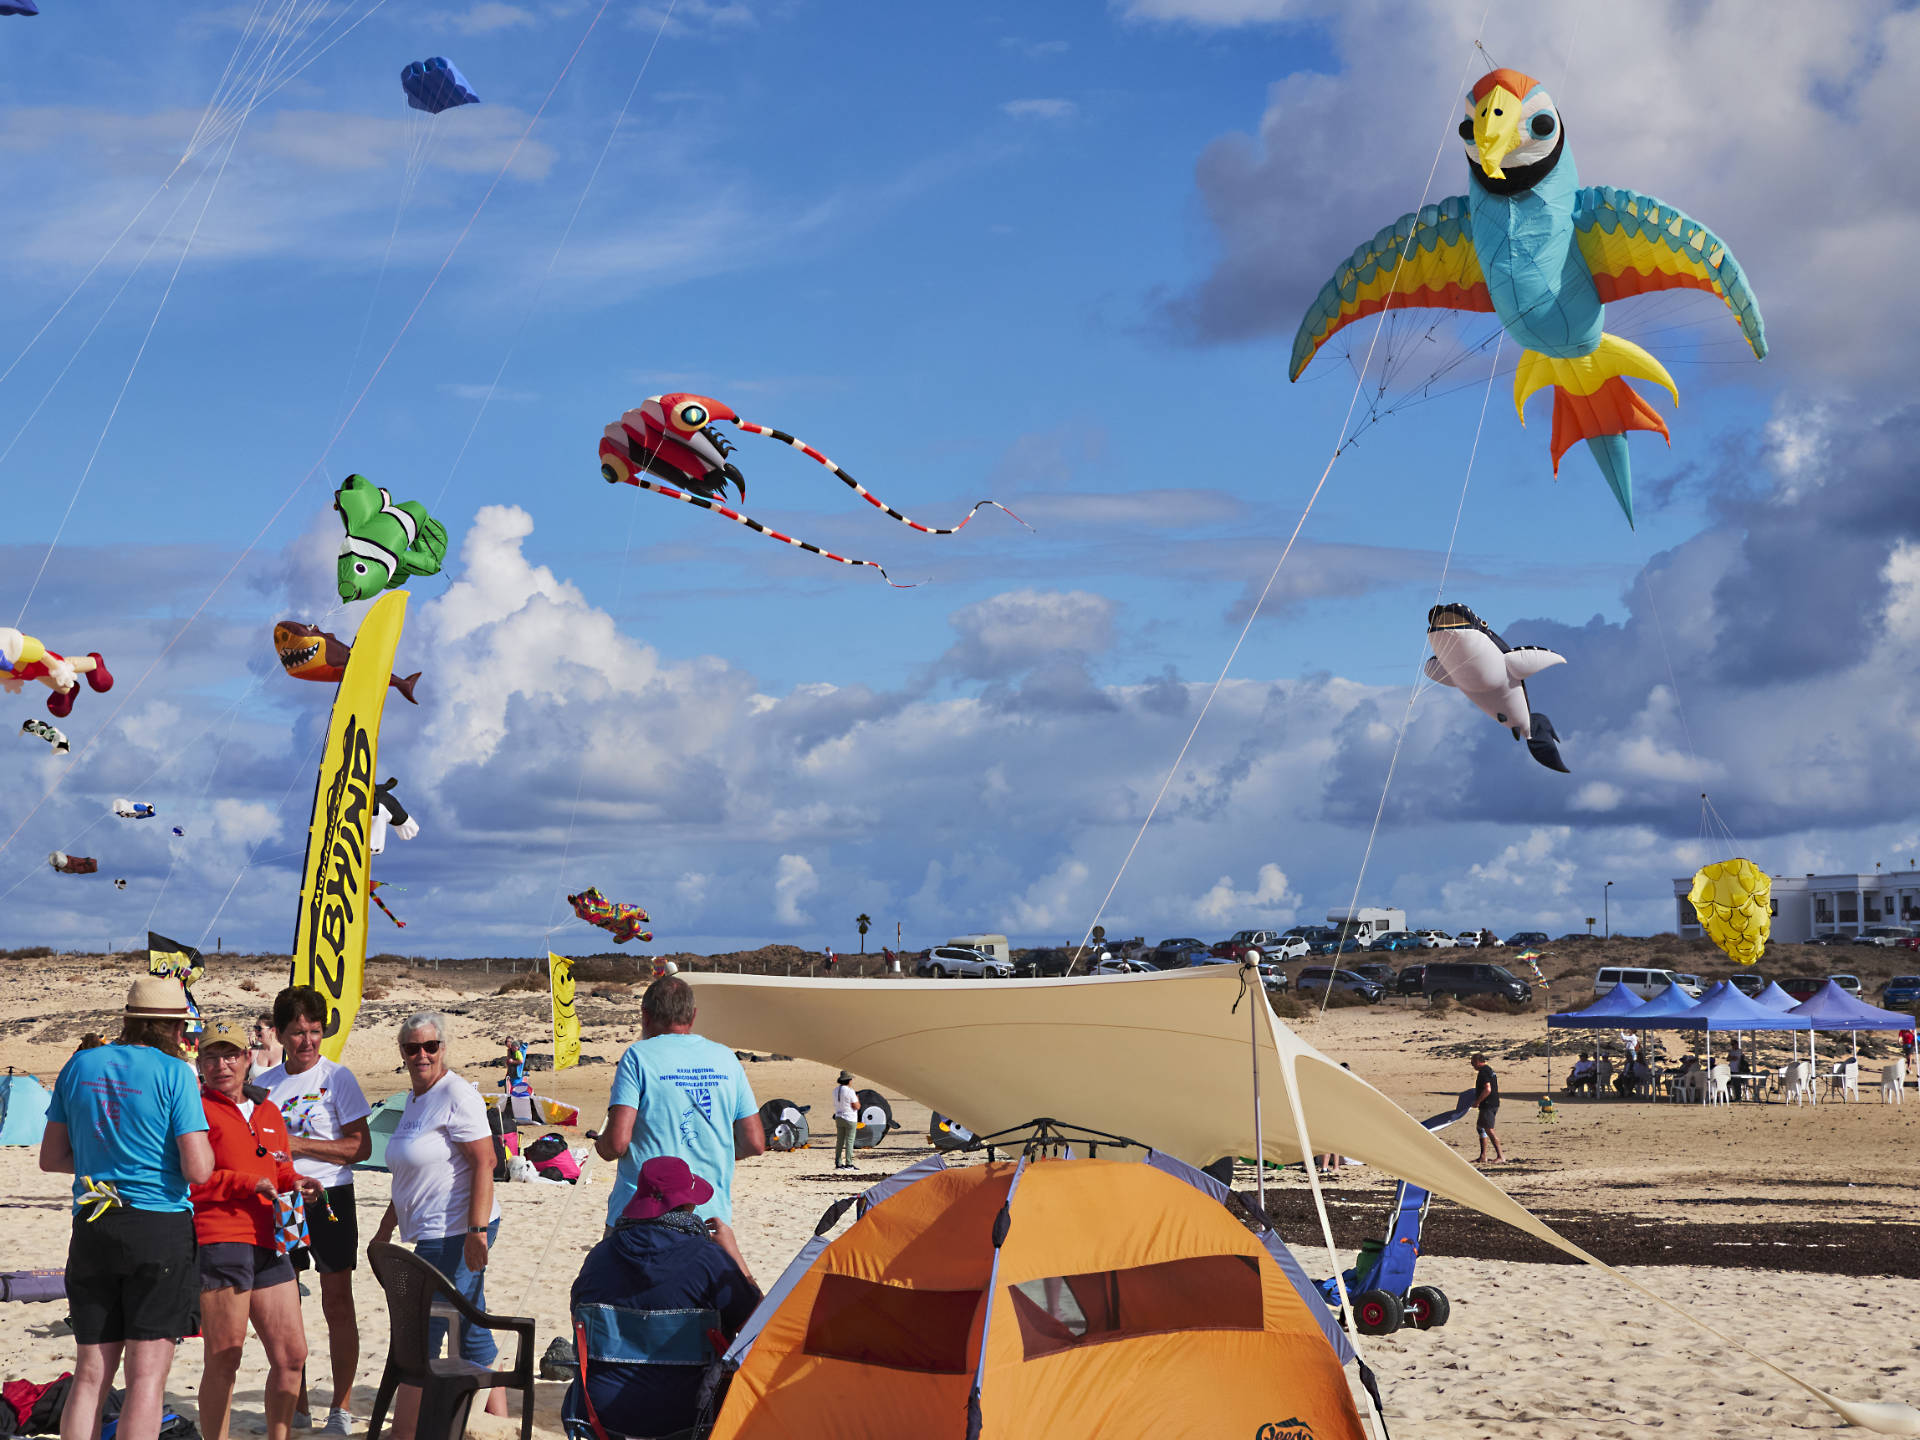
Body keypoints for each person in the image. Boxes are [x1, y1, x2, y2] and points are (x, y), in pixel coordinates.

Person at [39, 978, 213, 1440]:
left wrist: (107, 1162)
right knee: (146, 1380)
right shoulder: (176, 1072)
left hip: (95, 1222)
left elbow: (51, 1158)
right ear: (173, 1026)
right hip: (157, 1225)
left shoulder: (80, 1064)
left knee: (91, 1373)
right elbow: (198, 1169)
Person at [368, 1013, 507, 1435]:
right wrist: (386, 1227)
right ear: (403, 1054)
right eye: (413, 1048)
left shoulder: (456, 1094)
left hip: (457, 1229)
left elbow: (486, 1161)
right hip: (427, 1231)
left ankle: (404, 1432)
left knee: (421, 1332)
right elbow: (408, 1176)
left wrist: (477, 1231)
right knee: (469, 1323)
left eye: (430, 1046)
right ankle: (498, 1422)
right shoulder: (412, 1099)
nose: (422, 1055)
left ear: (443, 1048)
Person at [566, 1157, 761, 1440]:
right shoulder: (709, 1260)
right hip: (690, 1417)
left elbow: (578, 1319)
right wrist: (735, 1256)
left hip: (601, 1415)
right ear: (688, 1205)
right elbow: (761, 1324)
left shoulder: (600, 1256)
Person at [191, 1023, 321, 1440]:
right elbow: (192, 1180)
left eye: (230, 1055)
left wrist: (297, 1182)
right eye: (211, 1056)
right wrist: (246, 1184)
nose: (221, 1065)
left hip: (272, 1238)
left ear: (249, 1059)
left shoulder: (267, 1110)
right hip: (221, 1238)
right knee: (225, 1357)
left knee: (292, 1356)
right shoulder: (195, 1110)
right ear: (200, 1063)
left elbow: (279, 1166)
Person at [257, 987, 373, 1435]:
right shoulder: (264, 1084)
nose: (306, 1041)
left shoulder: (337, 1078)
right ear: (279, 1034)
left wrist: (297, 1145)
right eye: (296, 1032)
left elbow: (360, 1147)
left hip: (329, 1201)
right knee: (286, 1308)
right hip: (282, 1201)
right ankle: (299, 1405)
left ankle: (340, 1408)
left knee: (337, 1303)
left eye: (314, 1031)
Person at [595, 977, 766, 1235]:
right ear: (693, 1016)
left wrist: (601, 1145)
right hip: (709, 1217)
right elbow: (754, 1142)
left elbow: (617, 1143)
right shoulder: (725, 1058)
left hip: (641, 1214)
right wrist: (708, 1153)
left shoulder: (638, 1056)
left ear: (645, 1015)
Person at [1471, 1054, 1502, 1164]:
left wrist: (1477, 1102)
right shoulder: (1488, 1070)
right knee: (1480, 1127)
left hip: (1488, 1104)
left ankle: (1500, 1156)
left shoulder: (1484, 1071)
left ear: (1479, 1062)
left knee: (1489, 1129)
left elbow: (1487, 1089)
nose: (1472, 1064)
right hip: (1491, 1103)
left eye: (1473, 1062)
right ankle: (1483, 1156)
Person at [831, 1071, 858, 1171]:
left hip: (839, 1116)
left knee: (840, 1141)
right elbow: (856, 1106)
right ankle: (849, 1163)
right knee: (850, 1141)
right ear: (849, 1080)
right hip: (850, 1117)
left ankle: (838, 1162)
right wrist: (857, 1100)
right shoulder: (850, 1091)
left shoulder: (835, 1090)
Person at [249, 1014, 284, 1082]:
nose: (255, 1031)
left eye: (259, 1028)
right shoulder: (253, 1052)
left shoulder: (287, 1053)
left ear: (272, 1030)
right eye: (255, 1027)